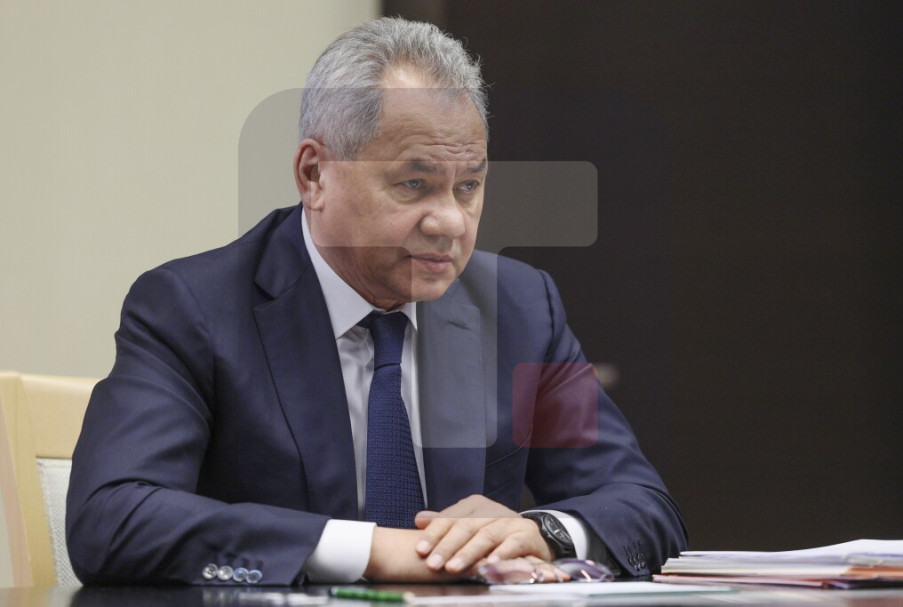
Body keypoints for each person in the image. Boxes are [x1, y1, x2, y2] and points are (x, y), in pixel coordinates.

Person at [66, 17, 687, 585]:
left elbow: (640, 503)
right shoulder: (193, 309)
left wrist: (540, 531)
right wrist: (374, 550)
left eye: (469, 186)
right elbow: (111, 517)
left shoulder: (520, 310)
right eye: (414, 184)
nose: (451, 222)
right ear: (314, 175)